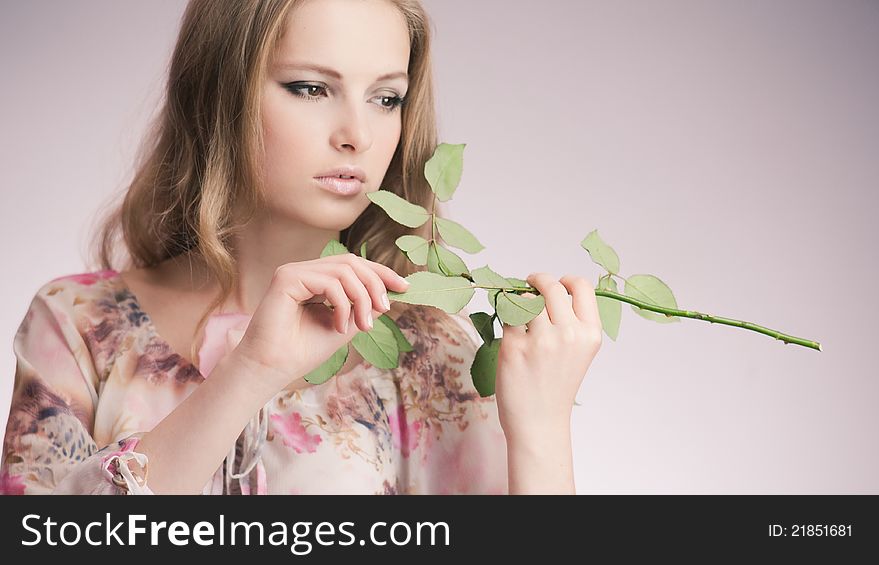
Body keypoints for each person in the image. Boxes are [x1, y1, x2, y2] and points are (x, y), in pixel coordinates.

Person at [0, 0, 602, 496]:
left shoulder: (424, 351)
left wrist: (542, 433)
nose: (357, 135)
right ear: (220, 94)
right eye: (311, 88)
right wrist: (250, 374)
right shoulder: (81, 323)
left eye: (386, 98)